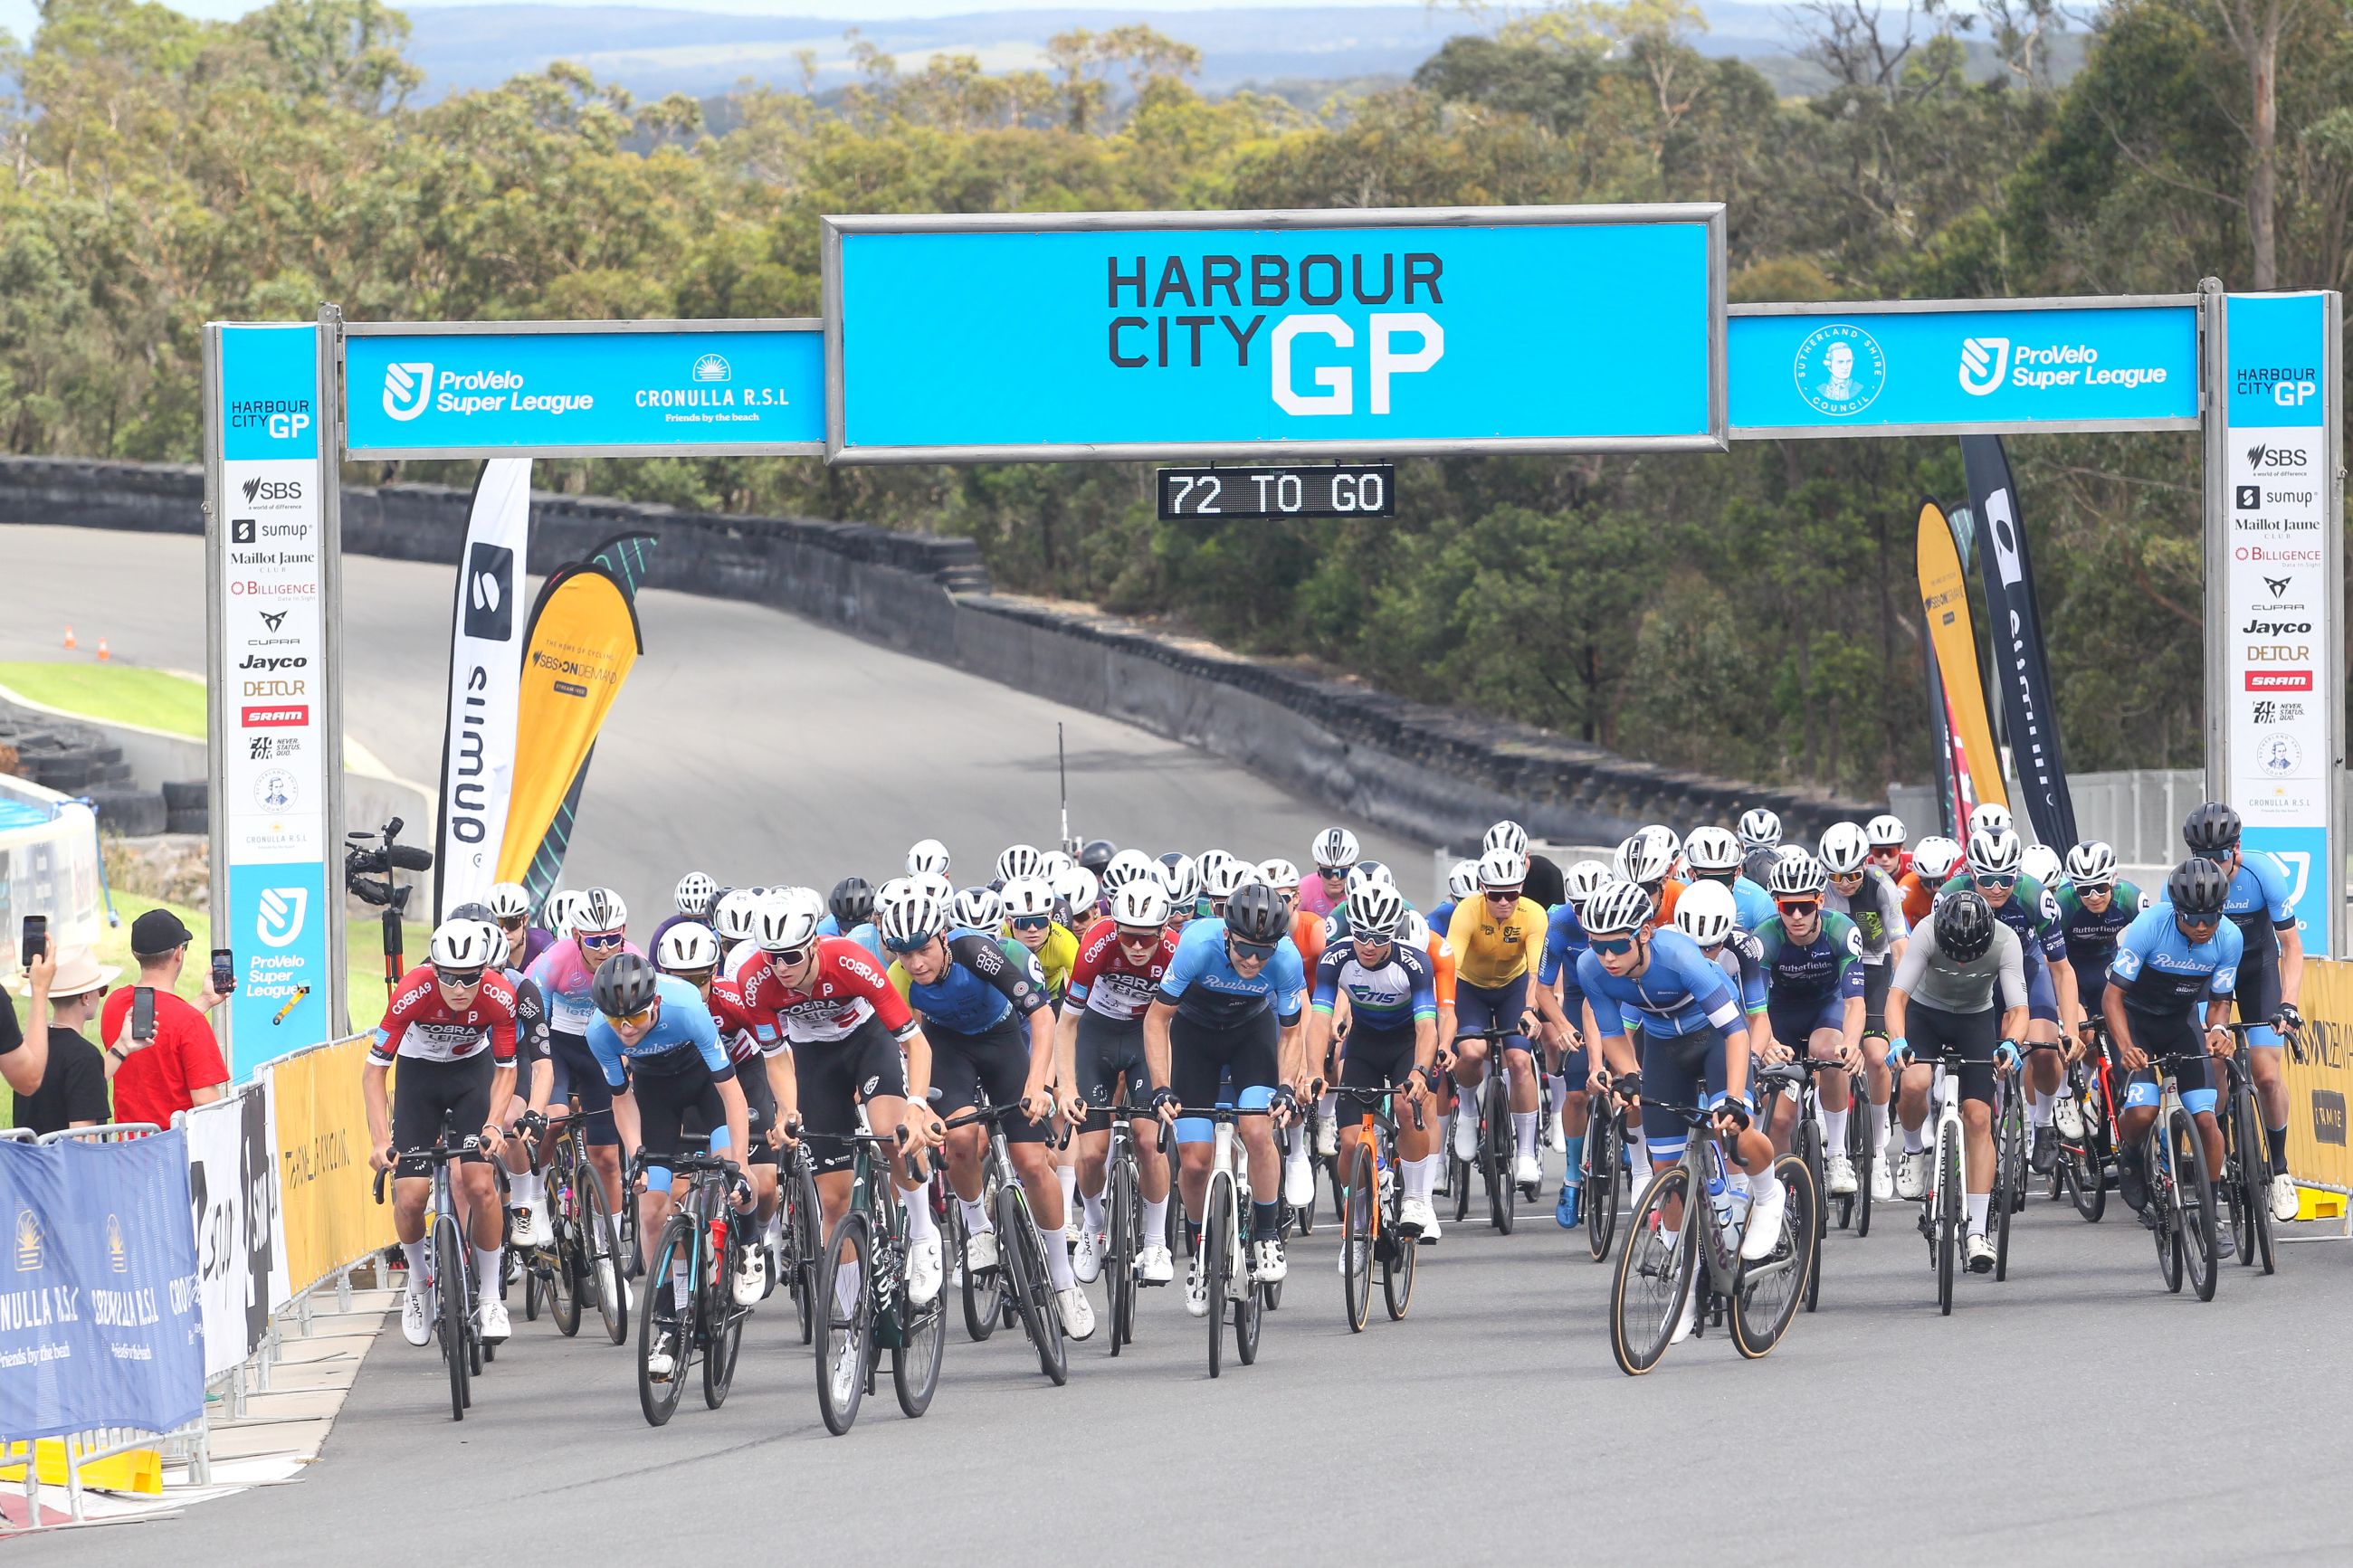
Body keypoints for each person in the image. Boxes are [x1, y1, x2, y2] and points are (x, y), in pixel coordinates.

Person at [1577, 879, 1777, 1345]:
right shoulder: (1591, 967)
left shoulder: (1682, 957)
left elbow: (1737, 1033)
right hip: (1665, 1049)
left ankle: (1768, 1195)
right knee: (1667, 1168)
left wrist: (1732, 1098)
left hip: (1714, 1038)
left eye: (1616, 945)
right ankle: (1684, 1292)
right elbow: (1610, 1031)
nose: (1606, 956)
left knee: (1733, 1129)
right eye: (1597, 944)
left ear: (1644, 934)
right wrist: (1628, 1074)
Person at [586, 952, 753, 1379]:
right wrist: (637, 1152)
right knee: (652, 1207)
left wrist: (741, 1163)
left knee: (730, 1172)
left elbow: (732, 1093)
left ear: (655, 1003)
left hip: (705, 1090)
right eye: (615, 1020)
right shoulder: (598, 1033)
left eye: (636, 1017)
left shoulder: (685, 1007)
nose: (625, 1029)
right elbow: (621, 1098)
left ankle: (745, 1247)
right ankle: (670, 1316)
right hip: (655, 1095)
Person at [1145, 880, 1308, 1310]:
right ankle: (1200, 1252)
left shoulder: (1287, 959)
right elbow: (1157, 1020)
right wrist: (1162, 1083)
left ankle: (1268, 1235)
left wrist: (1288, 1086)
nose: (1254, 960)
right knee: (1195, 1162)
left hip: (1249, 1037)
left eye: (1264, 952)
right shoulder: (1197, 945)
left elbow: (1292, 1034)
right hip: (1194, 1038)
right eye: (1244, 950)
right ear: (1227, 936)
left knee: (1257, 1131)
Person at [364, 918, 520, 1347]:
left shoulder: (499, 996)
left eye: (470, 977)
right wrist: (380, 1141)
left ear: (485, 972)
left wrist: (493, 1123)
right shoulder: (412, 991)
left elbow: (507, 1071)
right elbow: (374, 1072)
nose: (459, 987)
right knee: (411, 1196)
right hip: (419, 1078)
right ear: (434, 968)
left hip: (472, 1076)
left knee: (480, 1185)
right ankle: (417, 1281)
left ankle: (489, 1295)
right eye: (449, 976)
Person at [1883, 890, 2029, 1274]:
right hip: (1925, 1013)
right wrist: (1897, 1039)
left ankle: (1977, 1232)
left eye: (1972, 954)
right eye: (1955, 954)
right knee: (1914, 1082)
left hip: (1975, 1018)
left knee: (1978, 1118)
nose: (1963, 962)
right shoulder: (1927, 932)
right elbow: (1897, 998)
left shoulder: (2005, 940)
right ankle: (1914, 1151)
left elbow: (2017, 1008)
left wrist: (2011, 1043)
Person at [2107, 859, 2244, 1250]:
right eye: (2192, 919)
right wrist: (2125, 1048)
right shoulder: (2148, 927)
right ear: (2176, 910)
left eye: (2210, 918)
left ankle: (2208, 1211)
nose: (2202, 928)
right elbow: (2112, 997)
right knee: (2145, 1111)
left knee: (2205, 1120)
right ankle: (2132, 1153)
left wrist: (2218, 1029)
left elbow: (2219, 1000)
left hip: (2181, 1024)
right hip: (2137, 1023)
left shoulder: (2230, 938)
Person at [2182, 802, 2304, 1223]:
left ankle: (2280, 1168)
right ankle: (2213, 1169)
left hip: (2256, 970)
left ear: (2237, 849)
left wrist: (2287, 1003)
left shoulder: (2261, 872)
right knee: (2213, 1067)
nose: (2212, 868)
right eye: (2203, 859)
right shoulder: (2182, 884)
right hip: (2205, 974)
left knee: (2267, 1073)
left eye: (2219, 858)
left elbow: (2290, 947)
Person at [1059, 878, 1184, 1288]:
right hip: (1096, 1035)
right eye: (1127, 936)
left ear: (1163, 931)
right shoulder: (1095, 943)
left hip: (1144, 1037)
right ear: (1115, 928)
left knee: (1150, 1142)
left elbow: (1174, 1023)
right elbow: (1067, 1024)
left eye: (1145, 939)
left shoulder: (1174, 952)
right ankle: (1093, 1228)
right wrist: (1067, 1088)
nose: (1135, 947)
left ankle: (1155, 1241)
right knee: (1092, 1154)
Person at [1304, 881, 1442, 1250]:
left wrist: (1420, 1072)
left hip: (1405, 1044)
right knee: (1349, 1142)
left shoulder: (1415, 964)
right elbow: (1319, 1020)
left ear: (1393, 933)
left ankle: (1415, 1199)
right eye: (1361, 935)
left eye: (1379, 937)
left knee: (1405, 1103)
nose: (1368, 945)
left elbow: (1427, 1026)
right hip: (1364, 1043)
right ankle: (1359, 1222)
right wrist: (1314, 1070)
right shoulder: (1335, 959)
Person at [1445, 844, 1577, 1190]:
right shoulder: (1467, 914)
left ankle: (1526, 1153)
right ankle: (1470, 1111)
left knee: (1518, 1060)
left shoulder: (1533, 914)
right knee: (1471, 1052)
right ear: (1483, 891)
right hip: (1471, 988)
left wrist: (1531, 1011)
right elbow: (1450, 969)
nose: (1505, 902)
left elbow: (1538, 973)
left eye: (1512, 894)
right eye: (1496, 895)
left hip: (1514, 988)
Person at [98, 908, 231, 1129]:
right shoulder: (189, 1022)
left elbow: (168, 1026)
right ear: (179, 953)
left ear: (134, 953)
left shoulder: (114, 1004)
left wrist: (205, 1000)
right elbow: (206, 1104)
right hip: (173, 1152)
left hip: (128, 1148)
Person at [9, 944, 112, 1134]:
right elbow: (82, 1144)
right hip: (62, 1163)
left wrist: (122, 1048)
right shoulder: (84, 1056)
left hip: (26, 1161)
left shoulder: (30, 1044)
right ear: (86, 997)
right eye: (101, 990)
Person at [1301, 826, 1359, 918]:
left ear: (1351, 869)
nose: (1334, 879)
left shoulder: (1362, 890)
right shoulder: (1303, 890)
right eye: (1328, 872)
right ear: (1319, 869)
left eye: (1342, 872)